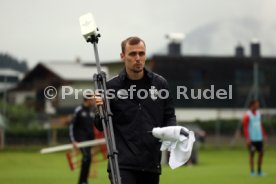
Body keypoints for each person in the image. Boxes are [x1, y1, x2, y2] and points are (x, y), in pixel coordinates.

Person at [95, 36, 176, 184]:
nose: (138, 58)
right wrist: (100, 108)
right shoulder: (110, 87)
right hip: (122, 164)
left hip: (150, 163)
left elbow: (169, 116)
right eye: (132, 54)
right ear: (122, 56)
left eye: (141, 53)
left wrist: (173, 135)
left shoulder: (160, 84)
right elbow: (100, 124)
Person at [69, 94, 97, 184]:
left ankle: (84, 180)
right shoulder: (79, 110)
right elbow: (72, 126)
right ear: (87, 100)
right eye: (92, 100)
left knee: (88, 159)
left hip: (90, 140)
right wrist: (73, 140)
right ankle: (82, 181)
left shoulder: (92, 111)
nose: (94, 102)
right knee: (86, 157)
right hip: (81, 140)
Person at [242, 99, 267, 176]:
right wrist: (247, 138)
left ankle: (259, 171)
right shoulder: (247, 115)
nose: (258, 106)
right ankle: (252, 172)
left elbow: (261, 125)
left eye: (258, 104)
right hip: (251, 139)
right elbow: (245, 127)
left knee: (261, 153)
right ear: (252, 105)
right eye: (256, 104)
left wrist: (264, 134)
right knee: (252, 154)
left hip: (259, 138)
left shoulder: (259, 114)